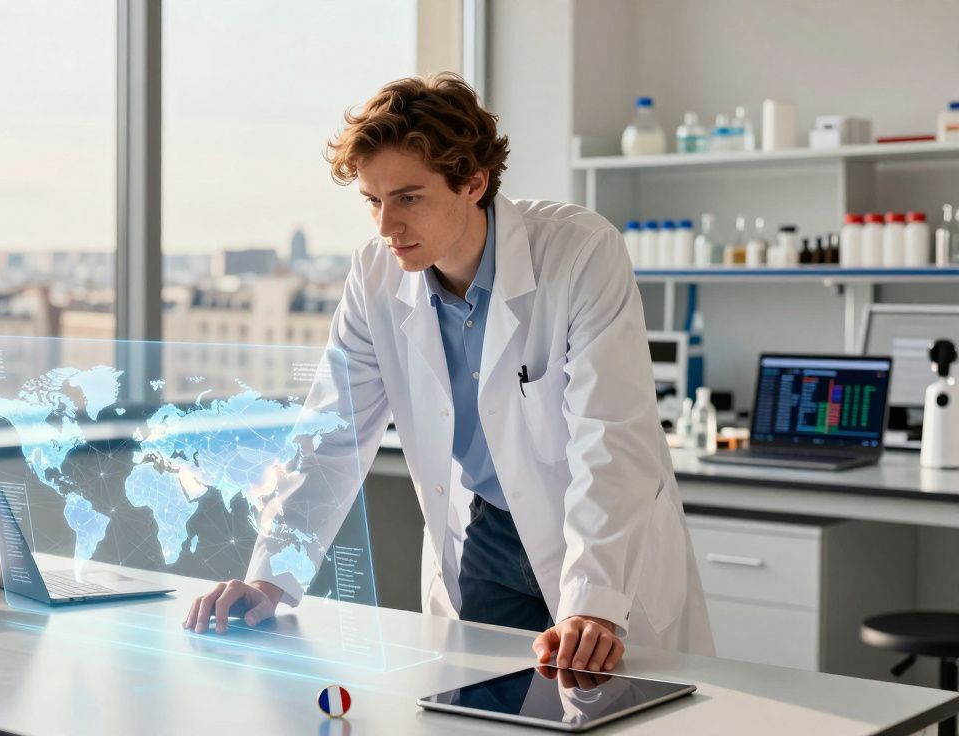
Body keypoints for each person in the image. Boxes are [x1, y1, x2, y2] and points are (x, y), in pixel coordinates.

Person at [182, 73, 713, 671]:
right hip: (484, 539)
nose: (386, 226)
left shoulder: (581, 253)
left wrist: (593, 603)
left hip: (593, 538)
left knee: (608, 709)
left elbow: (611, 438)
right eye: (373, 201)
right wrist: (270, 580)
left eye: (408, 197)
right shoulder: (374, 279)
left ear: (473, 183)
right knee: (488, 710)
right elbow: (332, 436)